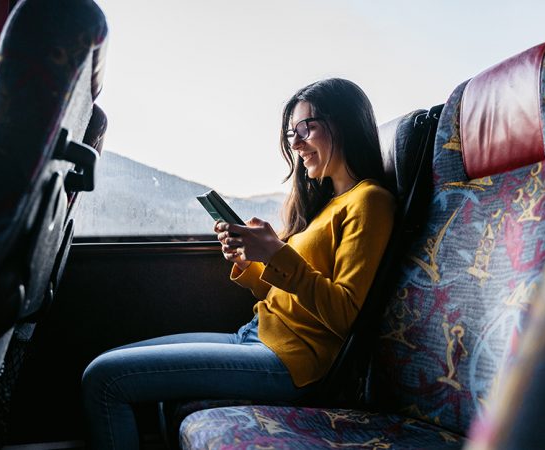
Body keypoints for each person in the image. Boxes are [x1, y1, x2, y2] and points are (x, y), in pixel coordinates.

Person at [81, 78, 396, 449]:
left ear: (343, 123)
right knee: (112, 359)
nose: (295, 143)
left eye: (305, 128)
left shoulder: (371, 202)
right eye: (291, 132)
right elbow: (288, 292)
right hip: (254, 335)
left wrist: (277, 254)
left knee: (103, 379)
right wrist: (252, 260)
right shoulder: (327, 204)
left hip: (290, 362)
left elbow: (346, 315)